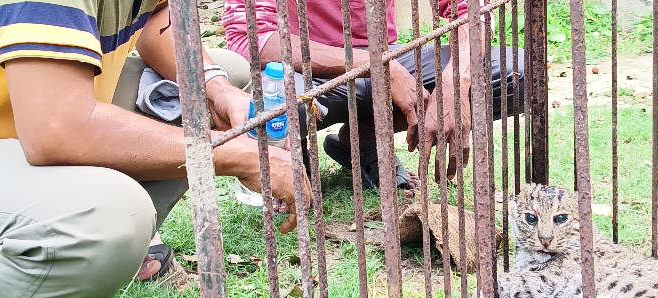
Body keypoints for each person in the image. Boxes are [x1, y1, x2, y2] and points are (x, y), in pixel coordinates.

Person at [0, 0, 310, 298]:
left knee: (215, 81)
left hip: (4, 123)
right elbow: (56, 128)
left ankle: (68, 245)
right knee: (114, 218)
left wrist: (217, 90)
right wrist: (233, 154)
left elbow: (156, 19)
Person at [222, 0, 524, 191]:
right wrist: (379, 66)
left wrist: (455, 80)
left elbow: (474, 10)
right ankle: (289, 157)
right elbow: (248, 35)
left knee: (520, 74)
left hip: (385, 61)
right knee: (267, 104)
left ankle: (362, 136)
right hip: (301, 71)